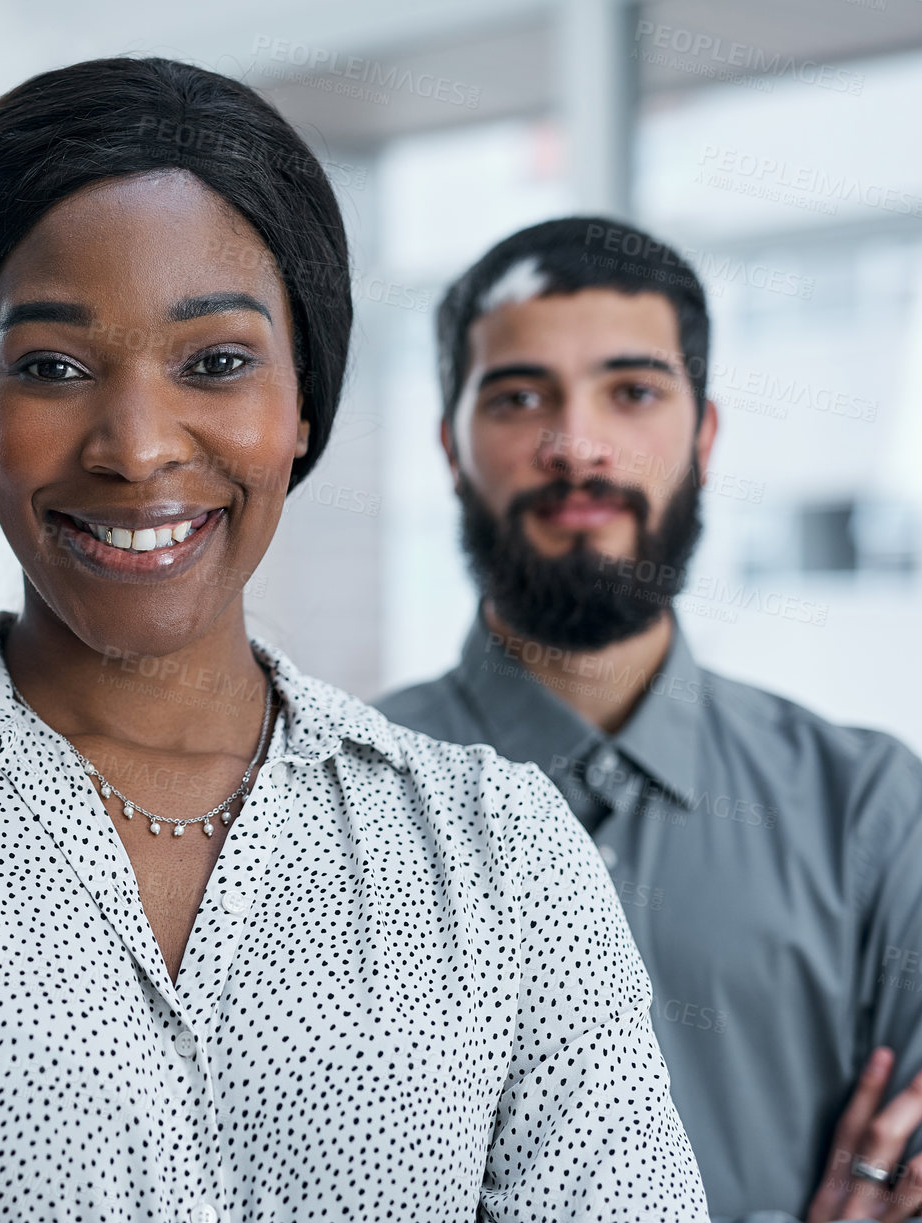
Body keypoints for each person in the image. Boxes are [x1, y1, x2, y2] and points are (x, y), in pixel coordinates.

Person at [0, 60, 704, 1221]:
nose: (134, 446)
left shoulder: (499, 849)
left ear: (303, 404)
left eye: (215, 362)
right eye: (53, 367)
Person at [377, 216, 922, 1223]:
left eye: (630, 391)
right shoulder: (311, 800)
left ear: (704, 435)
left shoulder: (876, 814)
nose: (575, 444)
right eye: (517, 395)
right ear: (450, 445)